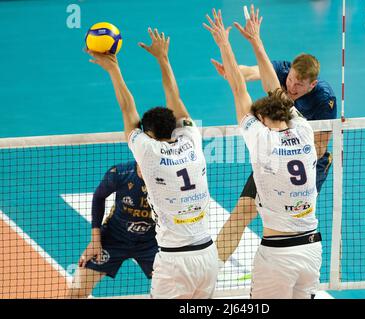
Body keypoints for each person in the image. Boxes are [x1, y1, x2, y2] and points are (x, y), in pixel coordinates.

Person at [86, 27, 218, 299]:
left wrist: (114, 69)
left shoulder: (148, 152)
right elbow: (176, 100)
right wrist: (163, 59)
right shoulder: (192, 139)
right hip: (207, 254)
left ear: (149, 134)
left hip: (174, 260)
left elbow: (127, 109)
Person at [204, 5, 322, 299]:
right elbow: (274, 90)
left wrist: (224, 43)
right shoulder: (304, 129)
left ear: (264, 120)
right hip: (311, 250)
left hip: (278, 256)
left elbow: (238, 88)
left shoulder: (261, 140)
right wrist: (255, 40)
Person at [66, 161, 158, 298]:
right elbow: (99, 196)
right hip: (113, 238)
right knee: (76, 291)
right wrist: (95, 241)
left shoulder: (168, 178)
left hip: (151, 242)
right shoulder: (120, 174)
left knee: (178, 290)